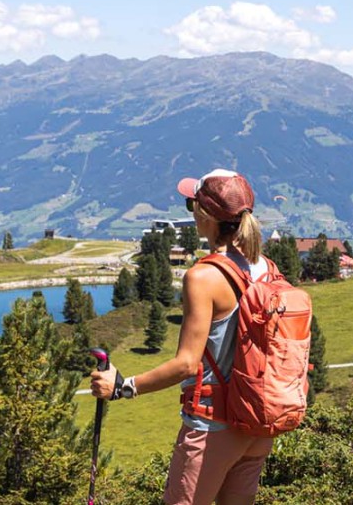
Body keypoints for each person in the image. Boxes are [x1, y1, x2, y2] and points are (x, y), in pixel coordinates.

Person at [90, 169, 272, 505]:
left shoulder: (203, 277)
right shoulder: (266, 268)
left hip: (213, 426)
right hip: (258, 423)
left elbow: (187, 364)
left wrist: (123, 386)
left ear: (204, 216)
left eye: (191, 204)